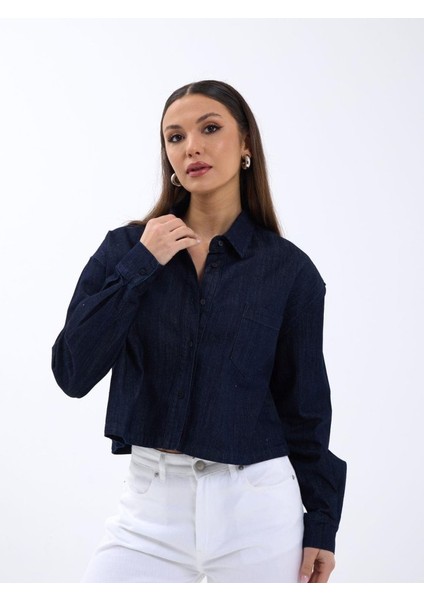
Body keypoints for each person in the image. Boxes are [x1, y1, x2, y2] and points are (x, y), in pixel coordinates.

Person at [51, 79, 347, 583]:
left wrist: (322, 522)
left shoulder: (288, 271)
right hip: (149, 509)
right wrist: (142, 265)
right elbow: (72, 372)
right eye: (175, 136)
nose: (191, 147)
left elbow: (305, 408)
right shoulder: (126, 250)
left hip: (258, 509)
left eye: (210, 129)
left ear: (245, 143)